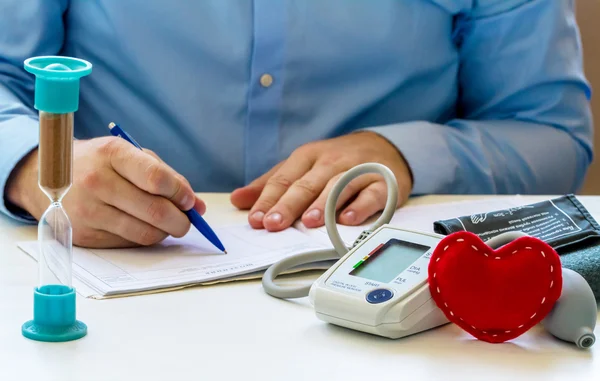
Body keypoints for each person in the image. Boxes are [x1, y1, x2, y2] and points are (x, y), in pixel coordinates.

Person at [0, 0, 593, 249]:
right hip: (106, 278)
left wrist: (409, 153)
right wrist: (34, 166)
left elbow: (550, 133)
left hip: (396, 293)